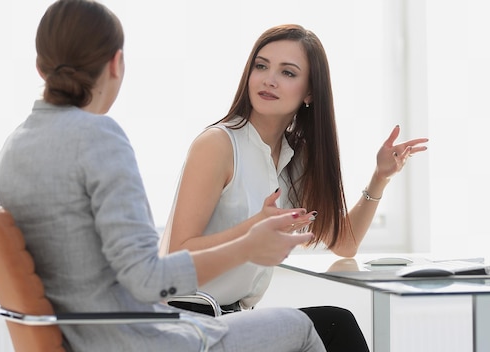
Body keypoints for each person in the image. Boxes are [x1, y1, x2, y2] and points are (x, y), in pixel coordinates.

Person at [0, 2, 326, 351]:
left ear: (39, 67)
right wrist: (248, 245)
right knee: (301, 327)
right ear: (116, 64)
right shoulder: (99, 138)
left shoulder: (14, 146)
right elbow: (149, 279)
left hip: (83, 336)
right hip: (130, 340)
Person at [161, 24, 428, 351]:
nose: (268, 79)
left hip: (231, 319)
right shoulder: (217, 144)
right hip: (182, 320)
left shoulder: (295, 157)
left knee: (333, 324)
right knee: (335, 325)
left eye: (287, 72)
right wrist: (253, 229)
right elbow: (177, 255)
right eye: (261, 66)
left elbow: (345, 243)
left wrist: (381, 177)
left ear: (310, 92)